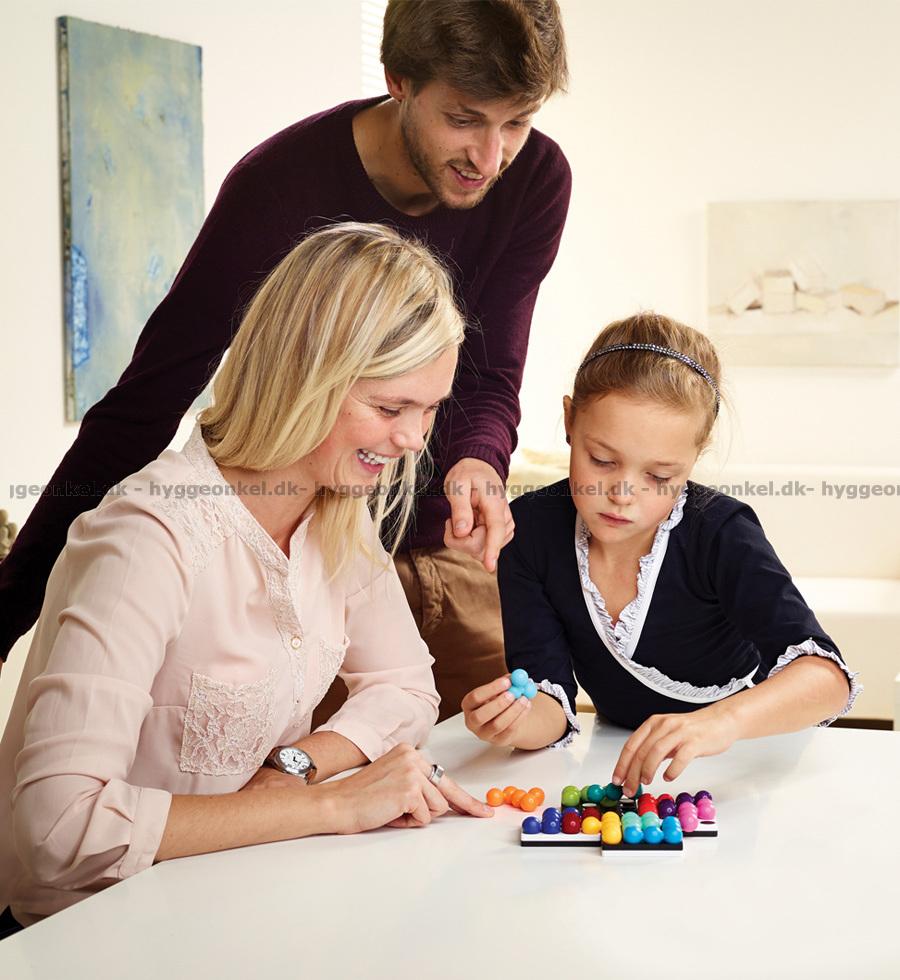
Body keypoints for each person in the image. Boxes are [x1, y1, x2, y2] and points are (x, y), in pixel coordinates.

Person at [0, 0, 572, 723]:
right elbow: (145, 403)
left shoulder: (535, 177)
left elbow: (490, 374)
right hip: (307, 558)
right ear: (399, 80)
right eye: (464, 119)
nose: (490, 160)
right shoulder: (277, 188)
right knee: (308, 781)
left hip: (446, 552)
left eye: (516, 123)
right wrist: (7, 612)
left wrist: (479, 462)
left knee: (517, 754)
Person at [0, 223, 494, 933]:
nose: (415, 439)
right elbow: (58, 827)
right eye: (390, 408)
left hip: (239, 903)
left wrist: (295, 766)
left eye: (431, 408)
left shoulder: (336, 515)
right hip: (89, 932)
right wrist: (327, 805)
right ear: (304, 376)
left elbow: (408, 686)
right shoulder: (148, 536)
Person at [461, 312, 859, 793]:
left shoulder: (721, 533)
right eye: (602, 460)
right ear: (569, 421)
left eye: (660, 476)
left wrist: (719, 723)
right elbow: (551, 704)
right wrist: (514, 722)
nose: (622, 493)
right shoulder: (529, 532)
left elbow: (827, 678)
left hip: (747, 764)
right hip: (621, 769)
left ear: (695, 455)